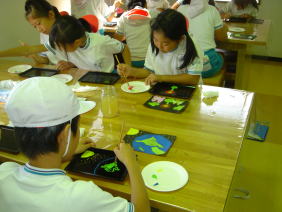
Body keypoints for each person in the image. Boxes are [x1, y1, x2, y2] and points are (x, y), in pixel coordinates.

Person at [0, 77, 150, 212]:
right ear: (65, 135)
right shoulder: (81, 196)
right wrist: (132, 165)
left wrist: (65, 154)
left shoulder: (4, 172)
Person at [0, 15, 130, 73]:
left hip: (106, 81)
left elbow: (124, 48)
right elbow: (28, 50)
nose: (60, 50)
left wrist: (129, 68)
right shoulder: (64, 41)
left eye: (63, 49)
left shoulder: (101, 42)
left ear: (77, 42)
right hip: (83, 79)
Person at [117, 9, 203, 85]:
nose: (159, 46)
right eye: (155, 40)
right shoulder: (154, 45)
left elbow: (193, 79)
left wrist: (160, 78)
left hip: (189, 92)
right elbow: (149, 71)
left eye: (165, 44)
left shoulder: (190, 46)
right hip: (163, 90)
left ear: (180, 39)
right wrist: (131, 71)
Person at [22, 0, 99, 69]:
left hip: (77, 72)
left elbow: (91, 61)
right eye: (35, 26)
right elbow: (47, 60)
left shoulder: (68, 29)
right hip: (59, 72)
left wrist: (73, 64)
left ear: (51, 14)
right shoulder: (44, 33)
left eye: (39, 23)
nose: (39, 29)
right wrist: (34, 55)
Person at [178, 0, 228, 78]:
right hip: (205, 66)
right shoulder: (212, 10)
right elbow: (221, 38)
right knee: (221, 56)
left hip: (183, 63)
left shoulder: (180, 10)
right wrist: (224, 27)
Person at [113, 0, 153, 68]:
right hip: (150, 60)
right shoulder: (152, 14)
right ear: (145, 4)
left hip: (129, 60)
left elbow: (117, 40)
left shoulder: (124, 17)